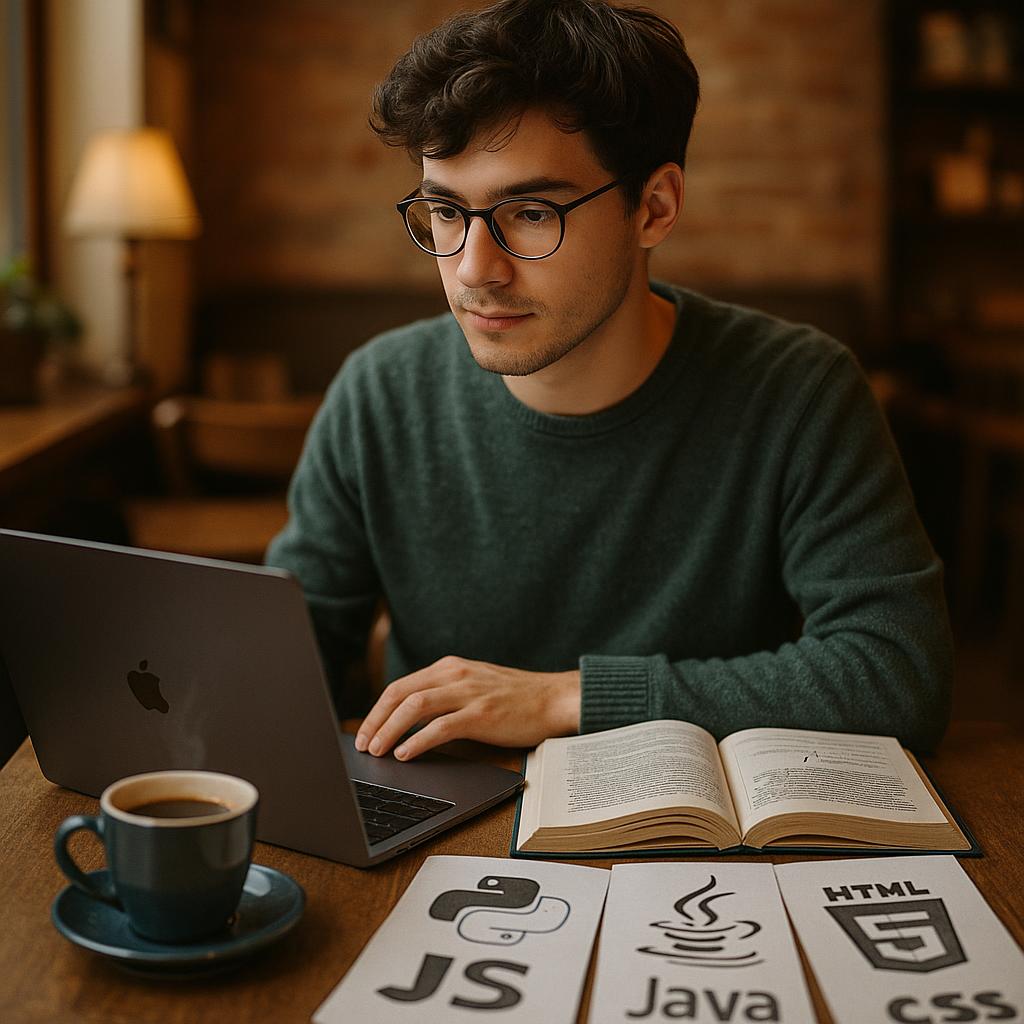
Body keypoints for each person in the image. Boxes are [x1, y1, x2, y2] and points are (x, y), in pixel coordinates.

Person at [267, 0, 952, 763]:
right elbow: (282, 667)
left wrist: (563, 698)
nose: (472, 269)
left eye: (529, 212)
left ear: (654, 208)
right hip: (444, 833)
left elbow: (897, 672)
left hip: (703, 846)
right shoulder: (378, 393)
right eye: (444, 212)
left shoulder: (798, 391)